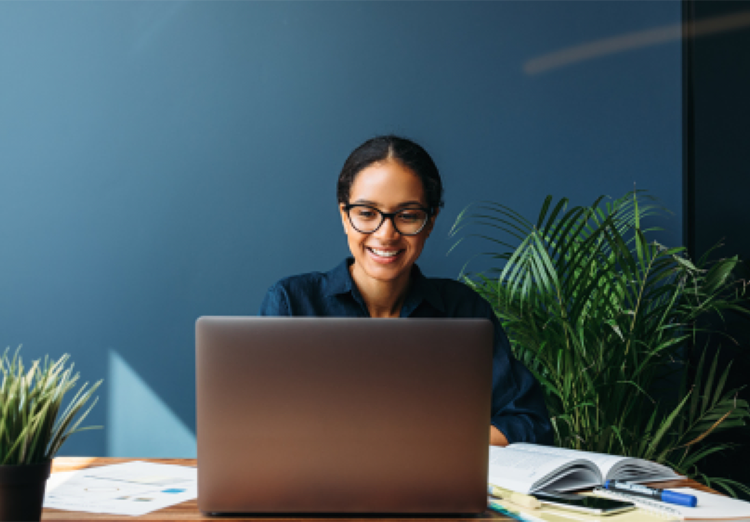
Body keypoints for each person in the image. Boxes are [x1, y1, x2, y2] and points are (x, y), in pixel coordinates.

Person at [259, 135, 552, 446]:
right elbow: (258, 428)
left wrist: (425, 443)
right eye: (367, 213)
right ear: (345, 215)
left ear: (431, 221)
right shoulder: (292, 304)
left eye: (408, 215)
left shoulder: (464, 312)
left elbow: (528, 422)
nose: (386, 234)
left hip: (434, 489)